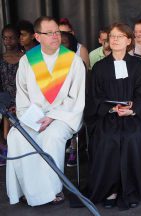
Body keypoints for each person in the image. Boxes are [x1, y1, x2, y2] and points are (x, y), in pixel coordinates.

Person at [6, 16, 86, 206]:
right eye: (49, 33)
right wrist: (30, 118)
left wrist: (52, 116)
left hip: (63, 116)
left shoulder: (72, 61)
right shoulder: (27, 61)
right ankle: (27, 189)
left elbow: (76, 98)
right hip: (33, 115)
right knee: (17, 136)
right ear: (37, 36)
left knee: (52, 137)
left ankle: (52, 191)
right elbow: (22, 95)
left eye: (57, 32)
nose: (55, 36)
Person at [85, 23, 141, 210]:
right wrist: (111, 108)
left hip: (133, 115)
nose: (115, 39)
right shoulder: (99, 67)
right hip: (108, 115)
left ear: (128, 40)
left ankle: (129, 190)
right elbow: (94, 96)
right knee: (108, 139)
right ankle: (110, 189)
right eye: (112, 36)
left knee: (132, 138)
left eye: (120, 36)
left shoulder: (138, 65)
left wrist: (133, 109)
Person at [0, 24, 23, 166]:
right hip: (3, 98)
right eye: (5, 38)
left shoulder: (25, 58)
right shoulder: (0, 58)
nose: (8, 42)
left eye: (11, 38)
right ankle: (3, 147)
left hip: (21, 99)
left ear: (18, 38)